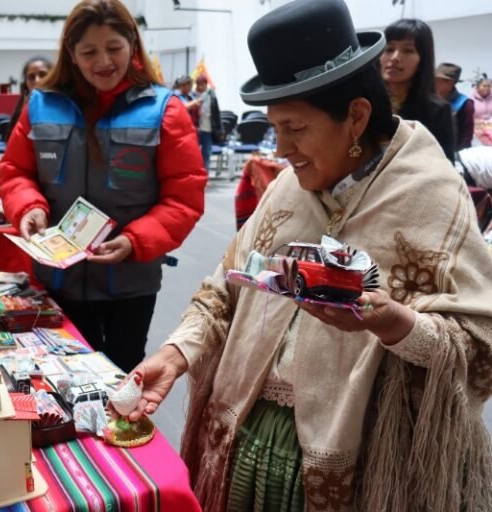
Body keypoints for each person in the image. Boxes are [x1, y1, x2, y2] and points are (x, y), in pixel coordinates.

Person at [121, 0, 492, 510]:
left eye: (295, 128)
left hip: (367, 464)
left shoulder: (431, 196)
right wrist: (176, 354)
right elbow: (225, 288)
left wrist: (394, 324)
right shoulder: (288, 189)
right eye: (275, 127)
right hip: (247, 445)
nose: (283, 147)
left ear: (357, 116)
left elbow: (480, 346)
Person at [0, 0, 206, 373]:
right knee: (63, 374)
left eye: (114, 48)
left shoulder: (165, 110)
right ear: (71, 55)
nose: (103, 61)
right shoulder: (41, 105)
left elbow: (184, 197)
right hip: (57, 280)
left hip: (130, 281)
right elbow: (16, 171)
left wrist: (136, 240)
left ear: (132, 43)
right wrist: (28, 206)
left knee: (123, 374)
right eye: (89, 51)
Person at [380, 18, 455, 161]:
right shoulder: (366, 103)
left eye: (408, 50)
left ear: (423, 60)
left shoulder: (436, 111)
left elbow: (445, 166)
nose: (395, 57)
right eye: (389, 49)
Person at [7, 56, 53, 140]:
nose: (37, 80)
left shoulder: (67, 107)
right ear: (26, 83)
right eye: (31, 77)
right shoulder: (21, 112)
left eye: (43, 75)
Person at [435, 62, 475, 150]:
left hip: (453, 152)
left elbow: (466, 137)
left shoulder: (464, 103)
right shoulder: (430, 99)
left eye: (442, 81)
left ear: (453, 83)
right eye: (435, 80)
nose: (436, 84)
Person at [193, 74, 223, 170]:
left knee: (206, 154)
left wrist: (220, 128)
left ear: (206, 85)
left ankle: (205, 176)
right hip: (196, 130)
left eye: (203, 85)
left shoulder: (212, 96)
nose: (200, 87)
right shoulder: (192, 96)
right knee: (195, 154)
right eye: (199, 85)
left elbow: (217, 113)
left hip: (208, 129)